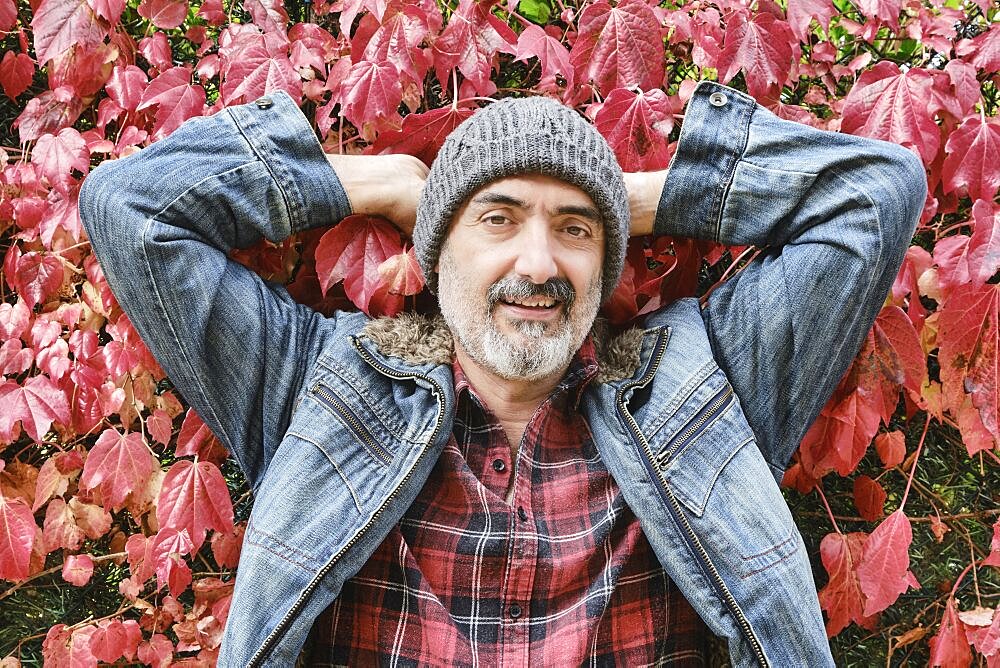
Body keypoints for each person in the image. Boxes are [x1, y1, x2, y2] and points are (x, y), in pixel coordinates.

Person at [78, 81, 926, 667]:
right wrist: (389, 180)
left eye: (574, 231)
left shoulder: (704, 386)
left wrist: (628, 197)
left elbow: (878, 194)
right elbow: (132, 208)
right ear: (437, 248)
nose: (539, 261)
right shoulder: (314, 387)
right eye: (498, 218)